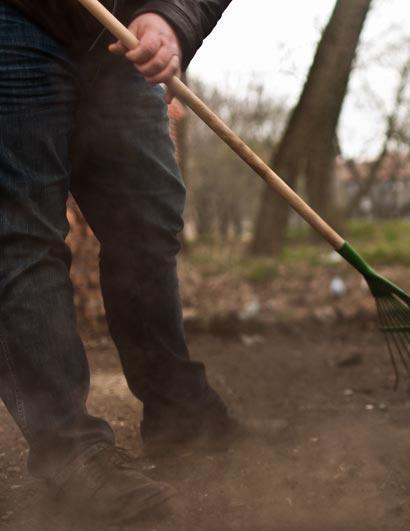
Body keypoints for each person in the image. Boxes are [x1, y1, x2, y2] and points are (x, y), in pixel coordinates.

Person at [0, 0, 233, 523]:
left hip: (120, 33)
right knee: (20, 234)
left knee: (147, 217)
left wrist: (173, 18)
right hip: (13, 20)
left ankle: (178, 411)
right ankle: (70, 455)